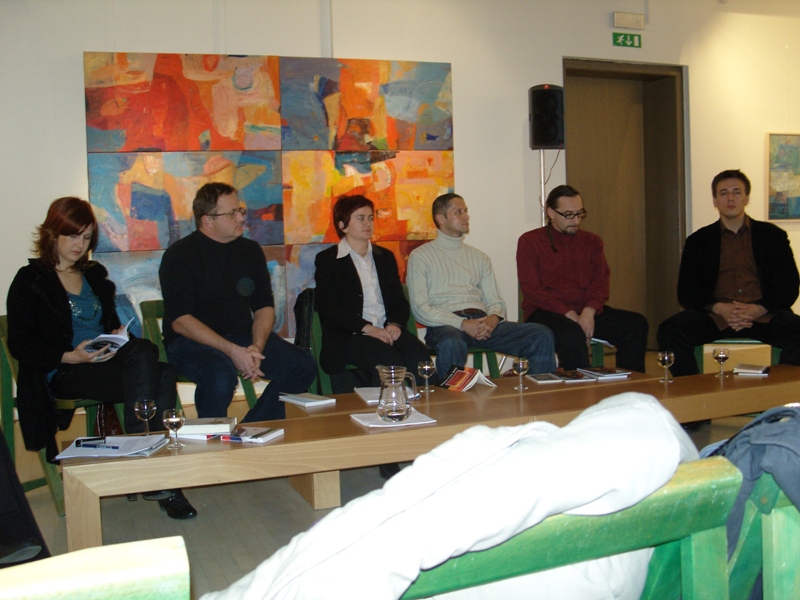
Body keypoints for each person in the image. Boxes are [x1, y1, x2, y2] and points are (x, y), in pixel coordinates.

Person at [6, 197, 196, 519]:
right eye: (72, 235)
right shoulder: (31, 279)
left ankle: (149, 468)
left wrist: (116, 335)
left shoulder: (93, 276)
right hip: (64, 371)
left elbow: (106, 325)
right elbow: (20, 344)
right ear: (53, 233)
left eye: (86, 237)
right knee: (160, 372)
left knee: (152, 361)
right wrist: (70, 356)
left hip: (105, 362)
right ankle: (154, 472)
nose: (79, 245)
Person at [159, 182, 316, 422]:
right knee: (220, 374)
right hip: (191, 341)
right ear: (208, 220)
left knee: (301, 365)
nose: (241, 218)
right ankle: (212, 437)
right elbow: (181, 321)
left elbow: (263, 306)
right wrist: (233, 351)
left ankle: (252, 429)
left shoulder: (250, 250)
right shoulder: (180, 255)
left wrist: (257, 346)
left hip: (241, 336)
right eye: (232, 213)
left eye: (240, 210)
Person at [658, 169, 800, 376]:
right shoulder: (698, 241)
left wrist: (759, 309)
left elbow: (789, 285)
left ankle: (778, 389)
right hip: (716, 317)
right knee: (670, 331)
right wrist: (720, 308)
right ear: (715, 200)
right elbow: (686, 291)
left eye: (737, 192)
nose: (731, 198)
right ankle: (695, 390)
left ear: (747, 198)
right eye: (723, 193)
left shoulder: (772, 236)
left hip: (763, 315)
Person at [407, 192, 556, 378]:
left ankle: (540, 392)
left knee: (540, 334)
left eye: (466, 211)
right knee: (451, 342)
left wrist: (491, 320)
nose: (466, 216)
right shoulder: (421, 257)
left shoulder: (479, 257)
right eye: (458, 212)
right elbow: (421, 308)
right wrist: (462, 324)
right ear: (441, 218)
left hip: (483, 322)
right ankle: (451, 396)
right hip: (446, 325)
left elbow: (496, 302)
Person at [516, 184, 648, 372]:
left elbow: (601, 282)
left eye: (579, 213)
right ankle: (582, 385)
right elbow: (532, 290)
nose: (576, 220)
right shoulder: (530, 241)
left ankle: (629, 383)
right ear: (551, 213)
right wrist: (568, 312)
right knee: (571, 333)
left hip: (583, 309)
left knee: (635, 324)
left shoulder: (592, 242)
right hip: (545, 311)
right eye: (568, 214)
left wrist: (589, 311)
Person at [314, 195, 431, 389]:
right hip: (351, 335)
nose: (368, 223)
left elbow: (398, 300)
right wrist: (368, 328)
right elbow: (330, 308)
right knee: (388, 360)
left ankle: (425, 405)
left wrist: (395, 324)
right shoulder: (328, 260)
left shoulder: (385, 257)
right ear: (343, 225)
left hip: (386, 329)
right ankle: (384, 406)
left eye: (370, 218)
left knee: (420, 357)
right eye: (360, 218)